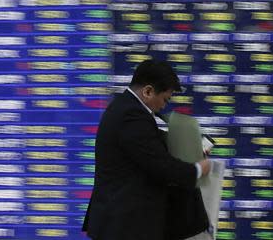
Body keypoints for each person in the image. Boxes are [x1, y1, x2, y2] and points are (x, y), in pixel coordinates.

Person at [82, 59, 211, 240]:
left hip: (122, 224)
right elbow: (161, 165)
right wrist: (198, 169)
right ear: (148, 91)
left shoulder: (125, 109)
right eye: (164, 100)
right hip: (124, 227)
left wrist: (192, 149)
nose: (163, 106)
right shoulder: (131, 116)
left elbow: (147, 153)